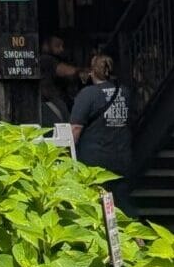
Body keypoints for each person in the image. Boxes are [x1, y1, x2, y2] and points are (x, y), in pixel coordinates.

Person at [70, 53, 133, 205]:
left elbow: (76, 128)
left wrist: (67, 155)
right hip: (122, 158)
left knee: (96, 203)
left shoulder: (88, 94)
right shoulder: (125, 92)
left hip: (95, 161)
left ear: (92, 72)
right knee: (121, 203)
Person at [37, 34, 80, 123]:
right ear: (46, 45)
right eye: (57, 46)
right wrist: (89, 70)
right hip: (50, 100)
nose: (61, 49)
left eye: (62, 46)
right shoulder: (46, 59)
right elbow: (67, 71)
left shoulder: (54, 59)